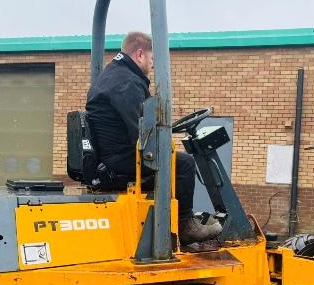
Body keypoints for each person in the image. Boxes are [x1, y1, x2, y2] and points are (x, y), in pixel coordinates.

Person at [86, 31, 221, 244]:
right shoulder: (127, 83)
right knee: (183, 163)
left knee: (172, 158)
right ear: (139, 55)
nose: (152, 65)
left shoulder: (113, 75)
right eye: (151, 59)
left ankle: (171, 220)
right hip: (120, 158)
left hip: (112, 154)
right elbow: (142, 131)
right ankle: (185, 225)